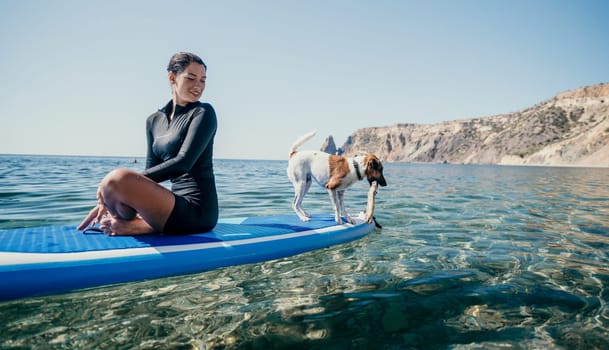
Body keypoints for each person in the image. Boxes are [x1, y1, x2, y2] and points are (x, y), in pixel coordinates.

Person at [78, 52, 218, 235]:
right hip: (171, 204)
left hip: (198, 211)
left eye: (203, 80)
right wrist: (111, 194)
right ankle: (141, 223)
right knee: (114, 186)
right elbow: (151, 173)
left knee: (115, 179)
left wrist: (117, 183)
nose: (198, 86)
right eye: (191, 78)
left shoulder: (203, 112)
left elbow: (183, 163)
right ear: (172, 77)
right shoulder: (153, 121)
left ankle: (144, 226)